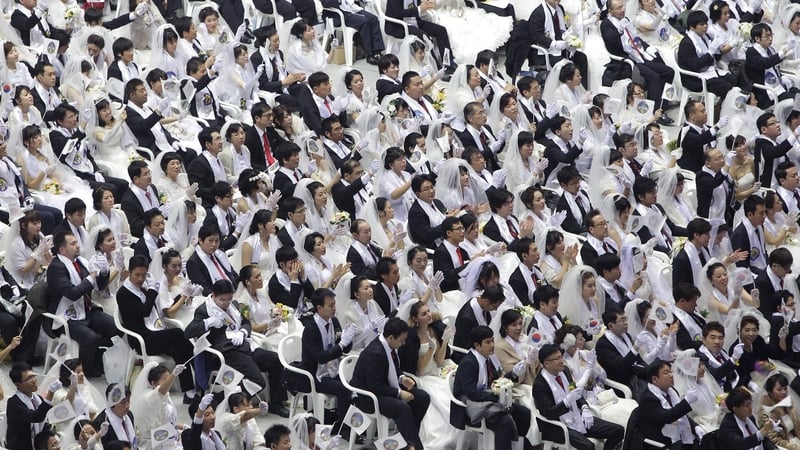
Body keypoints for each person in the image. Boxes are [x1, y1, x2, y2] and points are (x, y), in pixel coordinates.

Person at [184, 280, 289, 417]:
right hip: (226, 352)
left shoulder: (233, 305)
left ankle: (276, 402)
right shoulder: (204, 310)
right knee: (258, 381)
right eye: (222, 300)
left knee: (275, 360)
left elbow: (246, 323)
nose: (226, 303)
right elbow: (188, 332)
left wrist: (243, 332)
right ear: (213, 295)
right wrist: (208, 322)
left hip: (244, 345)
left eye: (229, 298)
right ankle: (219, 398)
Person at [116, 256, 196, 398]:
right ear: (130, 273)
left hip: (155, 333)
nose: (141, 279)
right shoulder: (124, 293)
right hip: (141, 338)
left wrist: (184, 296)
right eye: (137, 275)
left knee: (177, 350)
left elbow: (160, 309)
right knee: (178, 333)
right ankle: (199, 364)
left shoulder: (144, 287)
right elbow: (145, 310)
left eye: (144, 274)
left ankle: (188, 390)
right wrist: (153, 291)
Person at [349, 318, 430, 450]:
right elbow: (375, 385)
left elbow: (392, 368)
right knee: (402, 408)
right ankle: (414, 445)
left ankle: (407, 440)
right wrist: (399, 392)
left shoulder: (389, 346)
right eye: (401, 340)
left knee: (422, 397)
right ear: (391, 337)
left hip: (383, 388)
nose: (403, 343)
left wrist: (402, 378)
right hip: (367, 396)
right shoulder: (376, 353)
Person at [47, 231, 118, 377]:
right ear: (62, 250)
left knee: (115, 327)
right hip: (66, 315)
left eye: (77, 242)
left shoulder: (80, 261)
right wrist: (91, 277)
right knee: (90, 338)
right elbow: (73, 293)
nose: (78, 246)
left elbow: (99, 286)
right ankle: (86, 370)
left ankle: (97, 359)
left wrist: (104, 272)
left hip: (86, 310)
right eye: (73, 244)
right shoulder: (56, 268)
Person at [452, 325, 533, 449]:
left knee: (523, 413)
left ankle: (519, 446)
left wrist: (515, 373)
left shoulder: (490, 359)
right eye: (488, 342)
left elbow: (498, 381)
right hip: (469, 406)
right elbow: (471, 392)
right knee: (504, 421)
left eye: (493, 340)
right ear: (477, 345)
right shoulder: (469, 363)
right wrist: (494, 395)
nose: (492, 345)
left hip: (488, 401)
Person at [533, 343, 625, 450]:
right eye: (557, 359)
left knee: (618, 430)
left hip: (577, 415)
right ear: (547, 363)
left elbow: (575, 392)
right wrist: (567, 402)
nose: (562, 361)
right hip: (559, 424)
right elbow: (548, 413)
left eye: (561, 356)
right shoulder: (540, 385)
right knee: (588, 447)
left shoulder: (565, 371)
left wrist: (584, 407)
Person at [300, 289, 356, 433]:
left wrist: (348, 339)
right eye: (331, 305)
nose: (334, 308)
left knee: (355, 382)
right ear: (319, 308)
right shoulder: (311, 329)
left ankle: (345, 420)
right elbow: (320, 357)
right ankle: (344, 429)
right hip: (317, 374)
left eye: (334, 304)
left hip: (334, 368)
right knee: (344, 390)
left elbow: (344, 348)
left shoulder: (334, 321)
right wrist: (342, 344)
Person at [637, 360, 706, 448]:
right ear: (654, 379)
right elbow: (667, 417)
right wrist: (687, 401)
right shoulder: (648, 398)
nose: (671, 375)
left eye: (671, 371)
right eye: (666, 373)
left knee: (710, 441)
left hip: (680, 438)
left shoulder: (671, 391)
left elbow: (680, 415)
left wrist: (695, 427)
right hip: (662, 443)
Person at [596, 307, 648, 399]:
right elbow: (621, 366)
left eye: (626, 319)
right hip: (621, 382)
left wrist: (650, 370)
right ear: (611, 325)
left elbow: (638, 359)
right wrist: (636, 346)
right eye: (622, 320)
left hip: (635, 375)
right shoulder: (603, 345)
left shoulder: (626, 336)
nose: (626, 323)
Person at [7, 362, 56, 450]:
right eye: (29, 378)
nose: (34, 380)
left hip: (39, 443)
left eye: (34, 376)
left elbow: (44, 423)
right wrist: (50, 394)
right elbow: (36, 417)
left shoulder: (38, 398)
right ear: (18, 385)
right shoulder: (13, 404)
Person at [453, 285, 505, 360]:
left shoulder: (481, 305)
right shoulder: (467, 318)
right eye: (494, 306)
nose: (496, 309)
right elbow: (464, 344)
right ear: (486, 302)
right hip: (465, 354)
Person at [187, 224, 240, 295]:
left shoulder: (219, 254)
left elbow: (233, 275)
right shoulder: (193, 262)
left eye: (217, 241)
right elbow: (204, 290)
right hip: (218, 298)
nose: (214, 244)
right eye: (210, 240)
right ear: (200, 240)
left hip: (234, 291)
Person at [758, 373, 800, 449]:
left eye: (785, 388)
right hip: (782, 446)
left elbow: (797, 425)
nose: (783, 392)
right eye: (779, 389)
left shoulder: (787, 403)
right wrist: (795, 447)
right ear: (770, 391)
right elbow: (773, 440)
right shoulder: (765, 412)